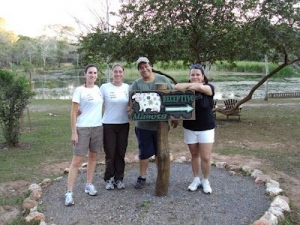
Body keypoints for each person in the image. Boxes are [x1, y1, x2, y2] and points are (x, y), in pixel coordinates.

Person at [130, 56, 178, 189]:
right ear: (139, 70)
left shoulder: (164, 80)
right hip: (143, 126)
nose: (144, 69)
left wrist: (174, 117)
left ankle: (161, 175)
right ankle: (142, 176)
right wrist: (130, 110)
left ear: (150, 66)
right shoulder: (137, 84)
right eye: (141, 68)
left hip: (161, 126)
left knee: (160, 152)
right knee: (144, 152)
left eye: (146, 66)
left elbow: (172, 98)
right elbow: (131, 102)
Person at [65, 64, 104, 206]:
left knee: (93, 157)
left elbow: (101, 106)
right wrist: (74, 132)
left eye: (94, 73)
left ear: (97, 75)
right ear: (85, 74)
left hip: (97, 127)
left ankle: (89, 184)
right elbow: (73, 112)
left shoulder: (98, 89)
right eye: (90, 73)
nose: (92, 75)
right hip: (82, 129)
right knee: (76, 161)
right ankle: (69, 192)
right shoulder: (79, 90)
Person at [174, 63, 215, 194]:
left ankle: (206, 180)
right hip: (190, 127)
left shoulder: (209, 88)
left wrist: (191, 86)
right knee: (194, 155)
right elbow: (176, 87)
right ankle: (196, 179)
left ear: (203, 76)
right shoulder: (188, 87)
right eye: (192, 75)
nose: (195, 76)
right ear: (189, 76)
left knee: (206, 157)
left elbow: (201, 88)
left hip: (206, 128)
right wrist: (191, 85)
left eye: (198, 74)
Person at [99, 64, 130, 190]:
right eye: (115, 72)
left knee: (120, 153)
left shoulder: (128, 87)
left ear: (123, 73)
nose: (118, 74)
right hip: (108, 124)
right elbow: (97, 102)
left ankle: (119, 178)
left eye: (120, 72)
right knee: (110, 153)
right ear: (112, 73)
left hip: (123, 124)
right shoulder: (105, 87)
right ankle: (109, 179)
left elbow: (133, 104)